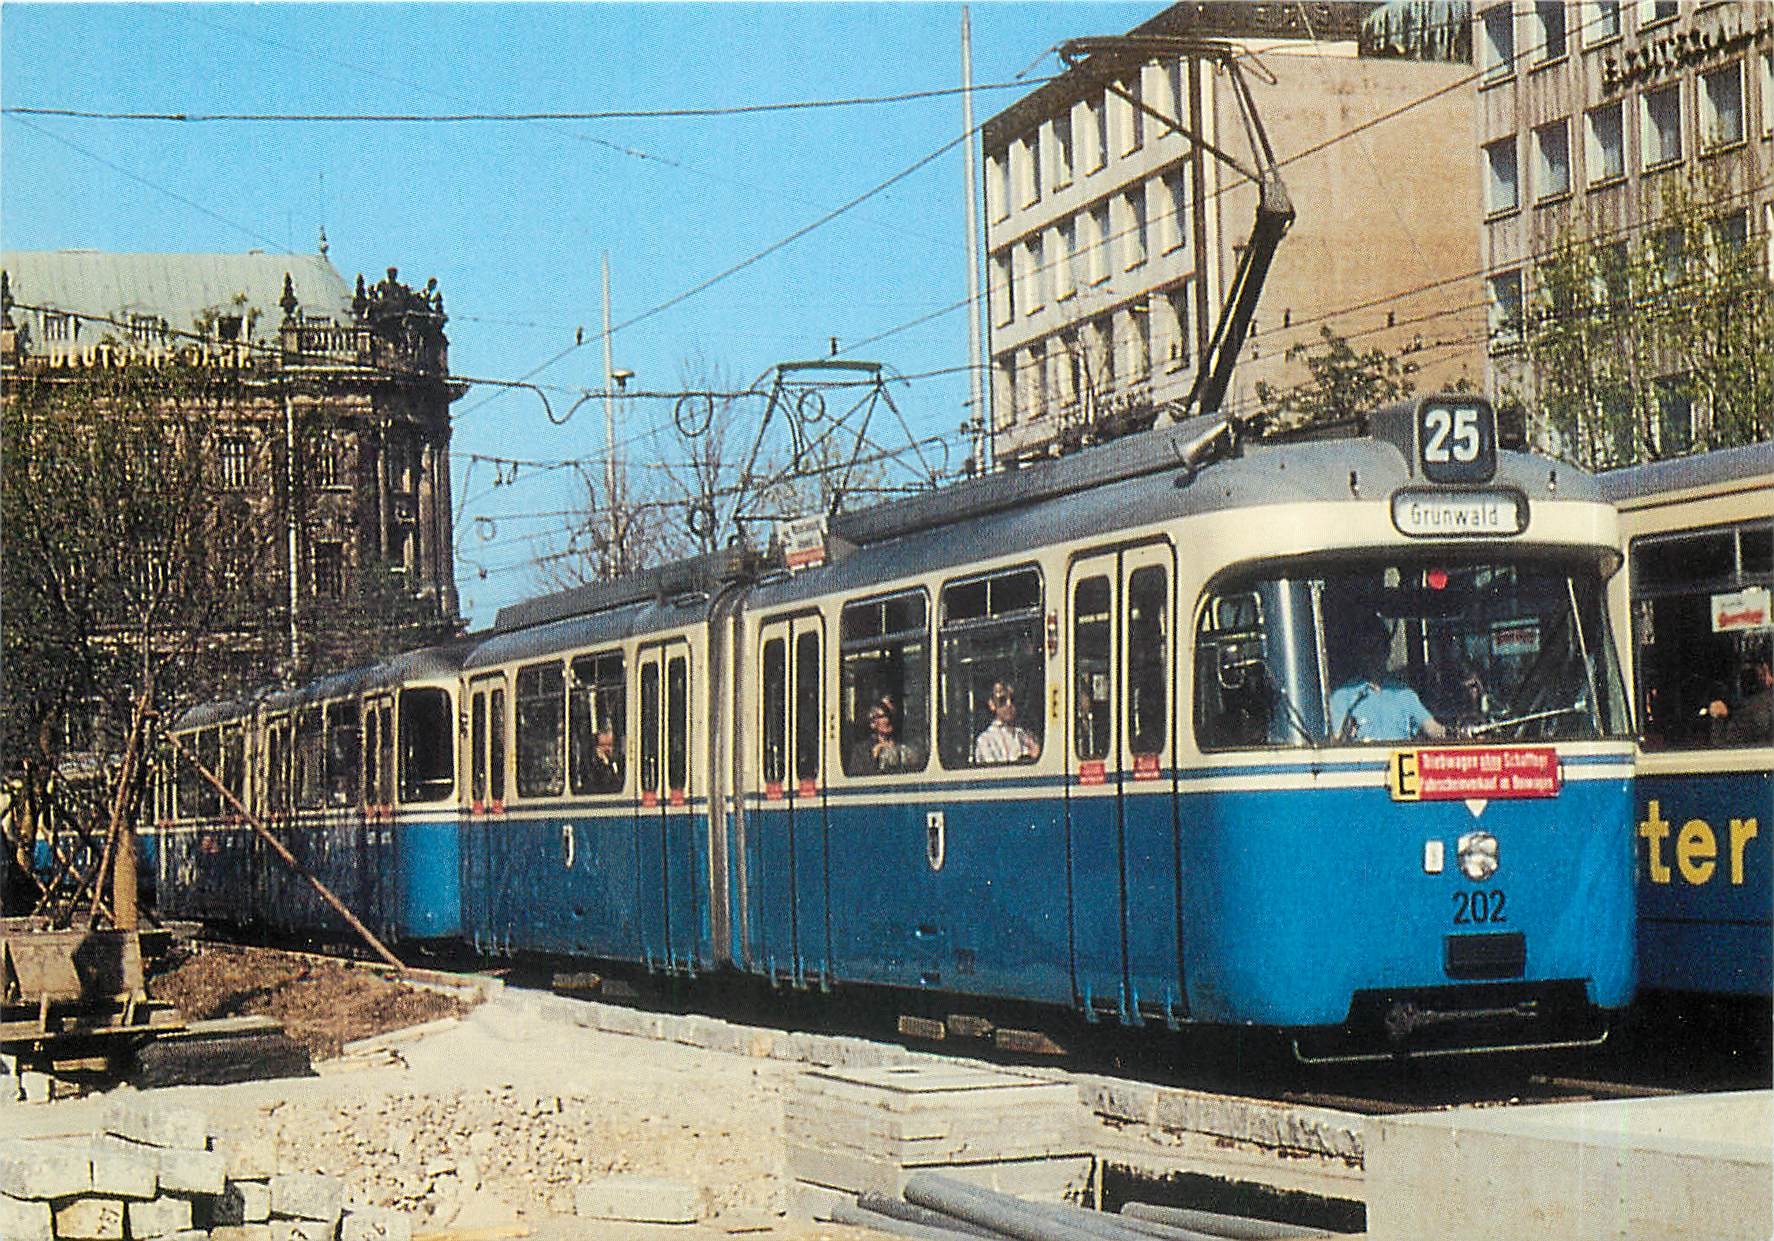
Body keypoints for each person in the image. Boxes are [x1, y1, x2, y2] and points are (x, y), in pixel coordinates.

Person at [1328, 621, 1449, 744]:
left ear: (1388, 651)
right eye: (1368, 649)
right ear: (1360, 653)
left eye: (1379, 647)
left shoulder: (1404, 694)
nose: (1373, 655)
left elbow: (1432, 729)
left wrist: (1452, 733)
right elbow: (1335, 742)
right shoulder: (1342, 697)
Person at [1709, 646, 1773, 745]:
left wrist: (1719, 719)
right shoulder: (1750, 706)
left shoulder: (1755, 708)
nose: (1747, 676)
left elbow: (1724, 744)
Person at [974, 680, 1041, 764]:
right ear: (992, 704)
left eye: (1013, 699)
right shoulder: (985, 740)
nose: (1009, 704)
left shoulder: (1025, 736)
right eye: (1002, 700)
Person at [850, 697, 919, 773]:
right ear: (873, 723)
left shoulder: (904, 746)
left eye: (891, 715)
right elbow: (856, 777)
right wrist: (873, 758)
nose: (889, 720)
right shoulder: (862, 751)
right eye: (884, 716)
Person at [586, 725, 623, 793]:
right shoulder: (593, 767)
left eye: (609, 745)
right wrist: (605, 763)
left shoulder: (621, 763)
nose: (607, 749)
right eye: (603, 745)